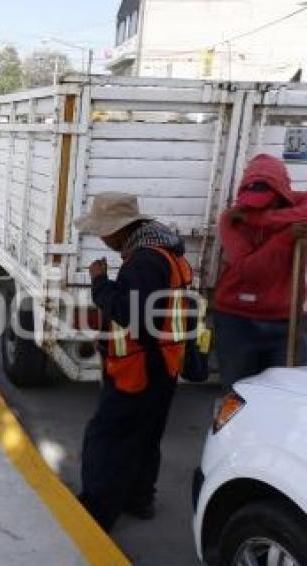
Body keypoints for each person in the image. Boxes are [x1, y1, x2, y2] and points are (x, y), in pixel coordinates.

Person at [74, 192, 193, 531]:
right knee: (144, 436)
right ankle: (139, 499)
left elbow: (130, 314)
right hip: (164, 364)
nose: (101, 237)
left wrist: (100, 283)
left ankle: (96, 512)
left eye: (104, 231)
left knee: (106, 438)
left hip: (138, 369)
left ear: (122, 229)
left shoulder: (144, 261)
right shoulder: (165, 252)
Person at [214, 153, 307, 386]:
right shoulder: (231, 219)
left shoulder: (296, 204)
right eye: (254, 201)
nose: (257, 207)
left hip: (287, 318)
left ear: (282, 193)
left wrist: (265, 219)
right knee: (239, 392)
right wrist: (287, 236)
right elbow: (251, 271)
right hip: (237, 319)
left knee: (285, 393)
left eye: (267, 199)